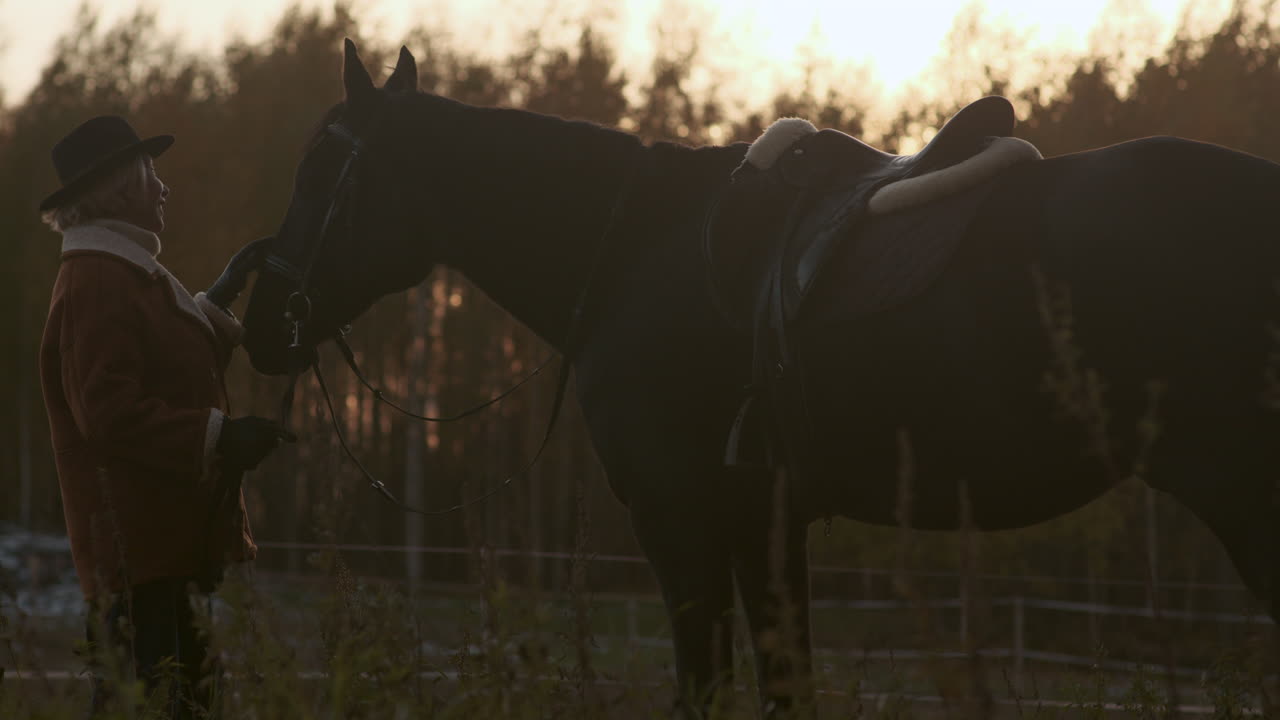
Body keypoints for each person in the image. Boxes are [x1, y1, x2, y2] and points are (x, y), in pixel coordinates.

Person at [37, 115, 293, 718]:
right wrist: (220, 437)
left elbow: (162, 364)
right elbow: (107, 413)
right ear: (118, 188)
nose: (163, 187)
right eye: (150, 172)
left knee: (180, 701)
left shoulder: (121, 273)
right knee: (149, 702)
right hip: (137, 558)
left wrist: (217, 298)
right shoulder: (98, 280)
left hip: (158, 554)